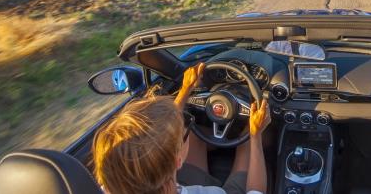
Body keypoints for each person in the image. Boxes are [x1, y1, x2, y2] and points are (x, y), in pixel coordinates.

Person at [93, 63, 271, 194]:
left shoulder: (110, 184)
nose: (183, 127)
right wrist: (255, 136)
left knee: (193, 136)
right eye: (181, 135)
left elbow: (167, 130)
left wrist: (185, 90)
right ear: (178, 161)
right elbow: (256, 192)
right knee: (245, 140)